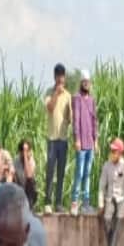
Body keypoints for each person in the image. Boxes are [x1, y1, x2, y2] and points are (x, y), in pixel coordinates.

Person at [43, 63, 72, 214]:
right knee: (50, 171)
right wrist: (56, 93)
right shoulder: (49, 92)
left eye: (63, 76)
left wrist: (70, 115)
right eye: (58, 76)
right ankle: (47, 202)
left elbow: (70, 118)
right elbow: (50, 108)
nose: (61, 78)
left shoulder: (68, 96)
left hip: (63, 139)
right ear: (54, 77)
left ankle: (58, 203)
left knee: (61, 172)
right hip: (52, 139)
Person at [70, 69, 98, 215]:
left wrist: (96, 140)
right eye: (84, 82)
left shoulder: (92, 100)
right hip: (81, 143)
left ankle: (86, 203)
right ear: (81, 83)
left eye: (88, 82)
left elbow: (94, 121)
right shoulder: (76, 98)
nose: (86, 84)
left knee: (87, 173)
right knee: (79, 173)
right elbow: (76, 120)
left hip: (90, 143)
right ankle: (75, 202)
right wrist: (77, 139)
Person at [13, 138, 37, 204]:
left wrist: (25, 156)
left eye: (27, 150)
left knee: (30, 181)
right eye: (23, 151)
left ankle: (29, 205)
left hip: (29, 192)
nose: (24, 153)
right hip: (19, 189)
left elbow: (28, 175)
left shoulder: (31, 161)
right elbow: (14, 178)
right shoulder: (16, 160)